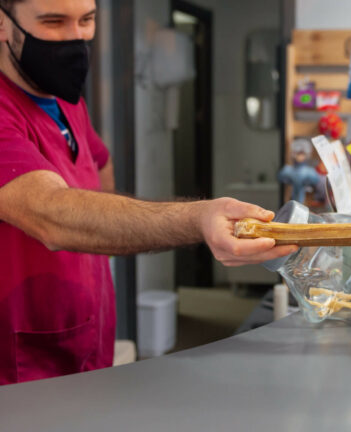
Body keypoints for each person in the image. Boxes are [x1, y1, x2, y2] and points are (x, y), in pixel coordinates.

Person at [0, 0, 297, 385]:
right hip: (23, 360)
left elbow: (98, 163)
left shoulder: (63, 101)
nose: (75, 37)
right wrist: (197, 218)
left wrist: (97, 228)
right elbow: (52, 215)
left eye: (87, 20)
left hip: (87, 332)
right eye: (53, 21)